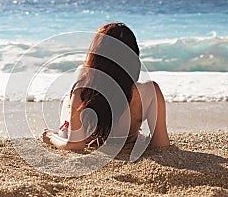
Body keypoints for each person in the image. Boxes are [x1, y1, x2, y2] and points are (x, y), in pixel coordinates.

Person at [43, 22, 169, 151]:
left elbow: (75, 145)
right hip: (126, 139)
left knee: (73, 88)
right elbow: (161, 144)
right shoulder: (151, 91)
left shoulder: (82, 91)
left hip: (86, 138)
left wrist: (51, 137)